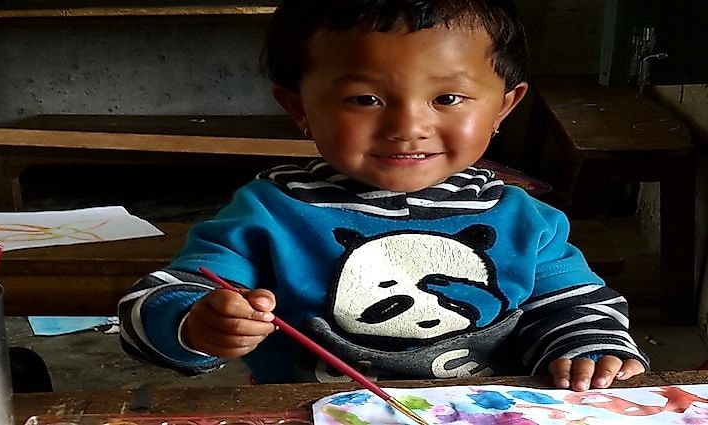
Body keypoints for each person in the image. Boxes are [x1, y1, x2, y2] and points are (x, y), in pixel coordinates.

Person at [119, 0, 648, 391]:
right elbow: (158, 302)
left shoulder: (524, 220)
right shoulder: (271, 213)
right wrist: (195, 324)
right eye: (364, 98)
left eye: (448, 97)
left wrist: (590, 351)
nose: (407, 125)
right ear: (297, 106)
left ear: (504, 108)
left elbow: (574, 307)